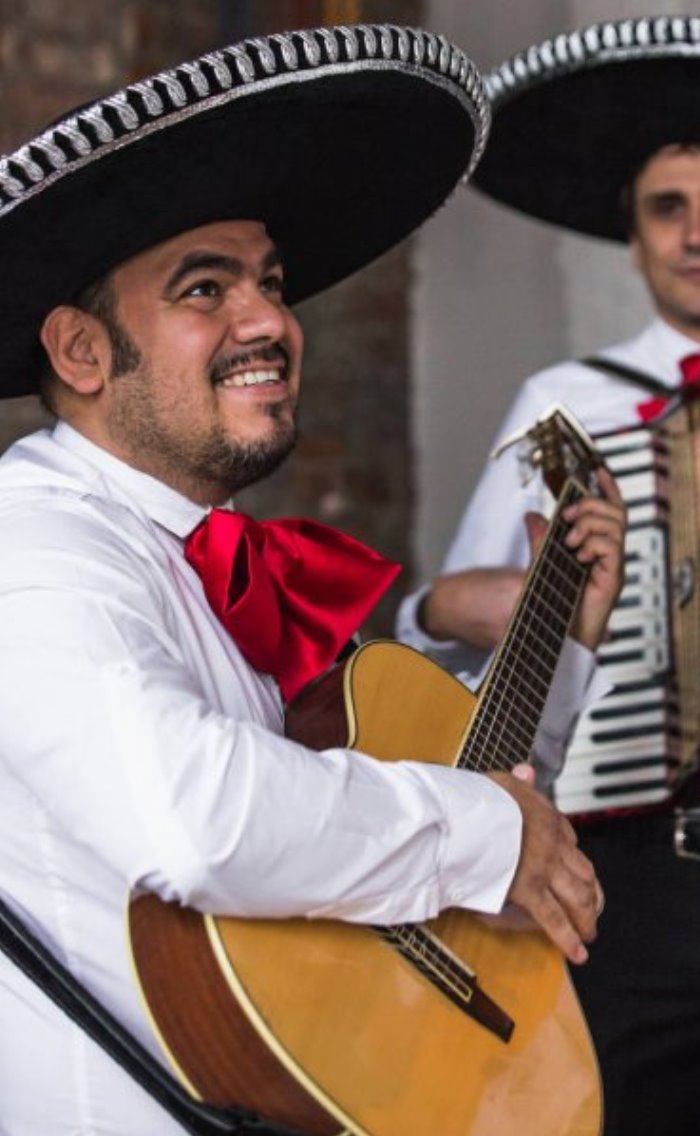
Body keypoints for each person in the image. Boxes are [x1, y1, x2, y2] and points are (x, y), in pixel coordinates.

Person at [0, 24, 623, 1136]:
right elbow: (194, 814)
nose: (270, 321)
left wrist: (561, 638)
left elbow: (446, 786)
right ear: (81, 352)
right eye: (204, 288)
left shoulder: (219, 559)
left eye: (271, 282)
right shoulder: (31, 546)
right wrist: (486, 834)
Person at [397, 15, 700, 1136]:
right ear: (629, 235)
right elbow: (450, 641)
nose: (695, 233)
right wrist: (437, 606)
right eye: (668, 208)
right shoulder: (565, 405)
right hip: (622, 865)